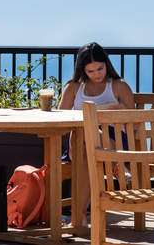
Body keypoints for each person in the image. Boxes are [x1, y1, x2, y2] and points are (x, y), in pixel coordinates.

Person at [58, 42, 135, 226]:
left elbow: (135, 120)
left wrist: (122, 110)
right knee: (85, 128)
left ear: (106, 64)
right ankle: (117, 166)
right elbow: (61, 119)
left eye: (100, 69)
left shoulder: (118, 86)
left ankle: (80, 216)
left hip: (114, 140)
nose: (97, 74)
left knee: (87, 151)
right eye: (91, 71)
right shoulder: (74, 88)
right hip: (78, 142)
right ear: (83, 70)